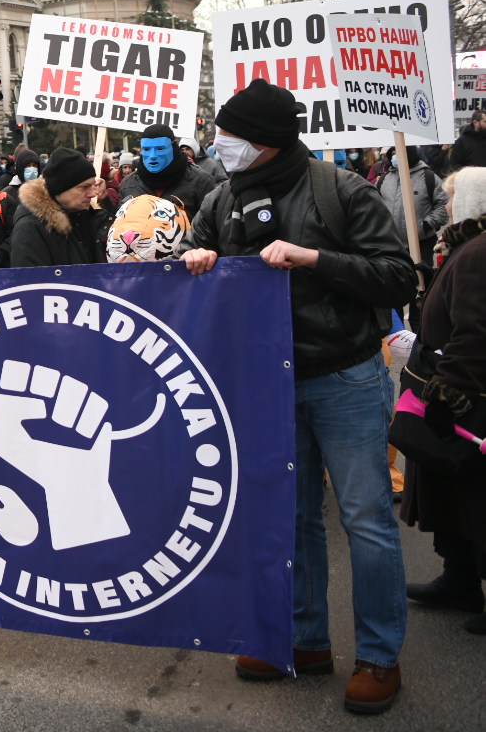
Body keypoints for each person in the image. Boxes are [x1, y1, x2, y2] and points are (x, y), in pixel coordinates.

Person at [181, 78, 416, 714]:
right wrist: (196, 259)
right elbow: (188, 262)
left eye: (229, 133)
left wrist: (315, 258)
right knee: (292, 517)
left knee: (365, 519)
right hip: (265, 384)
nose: (218, 142)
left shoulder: (341, 190)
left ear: (262, 141)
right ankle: (304, 639)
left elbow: (398, 275)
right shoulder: (222, 196)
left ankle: (378, 656)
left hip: (345, 380)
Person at [401, 166, 486, 635]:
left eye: (455, 199)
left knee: (474, 498)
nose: (448, 207)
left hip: (467, 399)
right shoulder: (464, 249)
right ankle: (460, 581)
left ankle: (468, 581)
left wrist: (446, 392)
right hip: (459, 392)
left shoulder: (476, 254)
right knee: (452, 497)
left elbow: (475, 332)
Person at [7, 148, 107, 268]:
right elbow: (32, 282)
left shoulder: (80, 216)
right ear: (60, 187)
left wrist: (104, 205)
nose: (92, 194)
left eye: (92, 185)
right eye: (84, 187)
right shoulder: (29, 229)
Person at [118, 122, 217, 212]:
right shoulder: (128, 184)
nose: (152, 156)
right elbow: (118, 225)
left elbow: (210, 226)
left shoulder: (201, 182)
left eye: (160, 149)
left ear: (173, 148)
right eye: (147, 149)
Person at [375, 146, 449, 263]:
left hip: (421, 243)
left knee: (421, 278)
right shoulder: (384, 179)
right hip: (390, 244)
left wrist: (426, 225)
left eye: (398, 153)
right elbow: (374, 205)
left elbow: (444, 205)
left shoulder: (429, 177)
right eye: (393, 154)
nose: (395, 157)